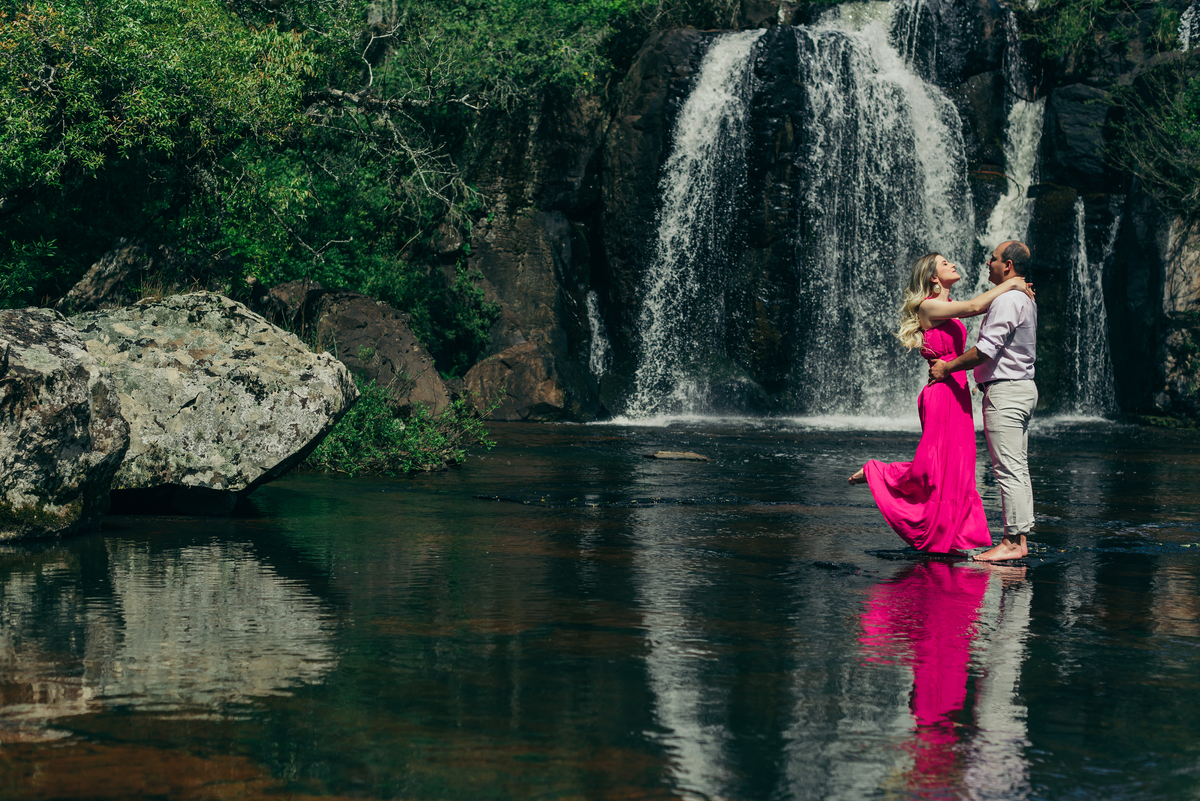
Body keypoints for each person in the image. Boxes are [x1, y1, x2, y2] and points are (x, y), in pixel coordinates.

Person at [848, 252, 1032, 554]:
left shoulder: (948, 310)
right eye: (945, 263)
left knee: (960, 467)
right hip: (941, 392)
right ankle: (878, 472)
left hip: (958, 391)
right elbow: (976, 305)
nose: (953, 264)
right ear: (933, 277)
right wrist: (1014, 284)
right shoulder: (928, 306)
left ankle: (952, 537)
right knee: (933, 466)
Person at [929, 241, 1037, 562]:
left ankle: (1012, 543)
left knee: (1008, 469)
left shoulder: (1007, 300)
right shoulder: (1022, 297)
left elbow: (986, 350)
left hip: (1005, 390)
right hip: (1020, 387)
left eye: (992, 259)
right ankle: (1020, 538)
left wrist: (947, 366)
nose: (987, 264)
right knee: (1018, 466)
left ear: (1007, 266)